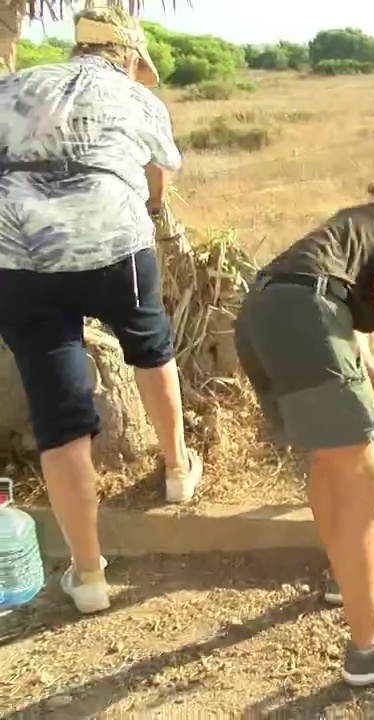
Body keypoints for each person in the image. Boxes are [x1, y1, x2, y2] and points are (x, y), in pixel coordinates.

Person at [0, 6, 202, 616]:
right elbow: (157, 181)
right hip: (115, 243)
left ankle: (87, 576)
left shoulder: (14, 86)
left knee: (59, 415)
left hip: (19, 256)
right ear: (132, 58)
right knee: (151, 346)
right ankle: (176, 469)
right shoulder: (135, 96)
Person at [233, 169, 374, 686]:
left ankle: (349, 576)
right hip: (305, 316)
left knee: (328, 459)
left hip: (261, 314)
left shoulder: (361, 226)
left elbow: (351, 353)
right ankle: (370, 648)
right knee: (358, 473)